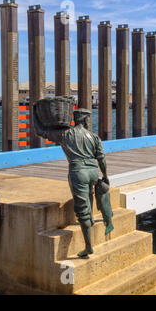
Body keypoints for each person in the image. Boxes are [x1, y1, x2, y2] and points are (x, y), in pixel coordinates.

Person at [33, 106, 113, 258]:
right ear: (84, 119)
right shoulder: (94, 137)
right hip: (93, 171)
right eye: (88, 119)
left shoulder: (65, 134)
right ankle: (93, 220)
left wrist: (34, 112)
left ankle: (88, 246)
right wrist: (105, 175)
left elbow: (40, 130)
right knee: (89, 195)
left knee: (82, 210)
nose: (89, 121)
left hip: (79, 172)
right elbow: (101, 159)